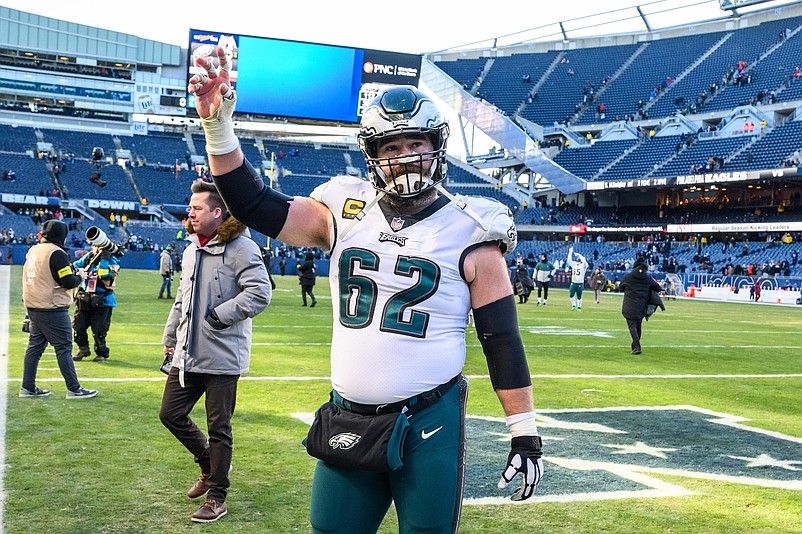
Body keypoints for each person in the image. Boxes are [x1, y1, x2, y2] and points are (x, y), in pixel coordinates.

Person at [191, 53, 543, 533]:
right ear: (372, 155)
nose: (403, 157)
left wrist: (524, 433)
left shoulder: (474, 226)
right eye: (390, 146)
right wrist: (218, 128)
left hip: (429, 420)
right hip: (348, 417)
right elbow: (256, 204)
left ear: (437, 145)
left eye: (415, 143)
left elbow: (501, 339)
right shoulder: (344, 207)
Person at [158, 178, 271, 523]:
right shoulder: (191, 248)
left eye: (197, 208)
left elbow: (260, 293)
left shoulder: (243, 248)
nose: (190, 213)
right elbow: (182, 297)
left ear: (218, 212)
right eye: (190, 208)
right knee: (170, 414)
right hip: (186, 353)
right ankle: (209, 466)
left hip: (222, 356)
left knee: (219, 427)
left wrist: (219, 317)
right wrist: (170, 335)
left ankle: (217, 497)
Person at [20, 219, 98, 399]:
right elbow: (68, 282)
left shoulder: (34, 250)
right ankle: (74, 389)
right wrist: (80, 277)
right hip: (52, 307)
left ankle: (28, 387)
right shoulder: (57, 253)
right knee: (63, 347)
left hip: (33, 305)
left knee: (34, 348)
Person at [71, 242, 121, 362]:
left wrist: (104, 259)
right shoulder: (89, 257)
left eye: (100, 247)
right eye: (95, 246)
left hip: (103, 300)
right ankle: (82, 348)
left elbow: (104, 275)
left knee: (99, 329)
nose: (97, 249)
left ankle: (101, 353)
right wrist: (81, 270)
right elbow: (75, 266)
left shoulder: (112, 260)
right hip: (85, 298)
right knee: (78, 325)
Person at [619, 257, 662, 355]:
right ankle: (635, 346)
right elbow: (658, 288)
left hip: (629, 305)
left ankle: (637, 347)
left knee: (632, 326)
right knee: (638, 326)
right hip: (642, 306)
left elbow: (621, 288)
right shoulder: (648, 277)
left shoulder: (628, 276)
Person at [566, 247, 589, 311]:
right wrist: (570, 253)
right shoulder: (574, 265)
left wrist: (580, 255)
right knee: (571, 294)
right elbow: (569, 261)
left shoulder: (583, 266)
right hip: (573, 282)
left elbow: (584, 261)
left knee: (579, 296)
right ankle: (573, 305)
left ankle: (579, 307)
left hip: (580, 283)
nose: (578, 261)